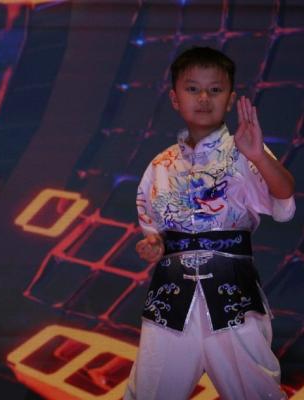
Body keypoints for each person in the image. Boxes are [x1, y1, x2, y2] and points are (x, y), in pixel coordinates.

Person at [124, 46, 295, 400]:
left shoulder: (245, 150)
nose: (204, 98)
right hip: (171, 298)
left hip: (233, 295)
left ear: (230, 99)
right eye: (193, 89)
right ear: (175, 98)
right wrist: (153, 245)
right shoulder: (159, 165)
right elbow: (154, 231)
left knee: (256, 390)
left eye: (215, 90)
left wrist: (258, 155)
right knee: (150, 391)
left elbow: (284, 198)